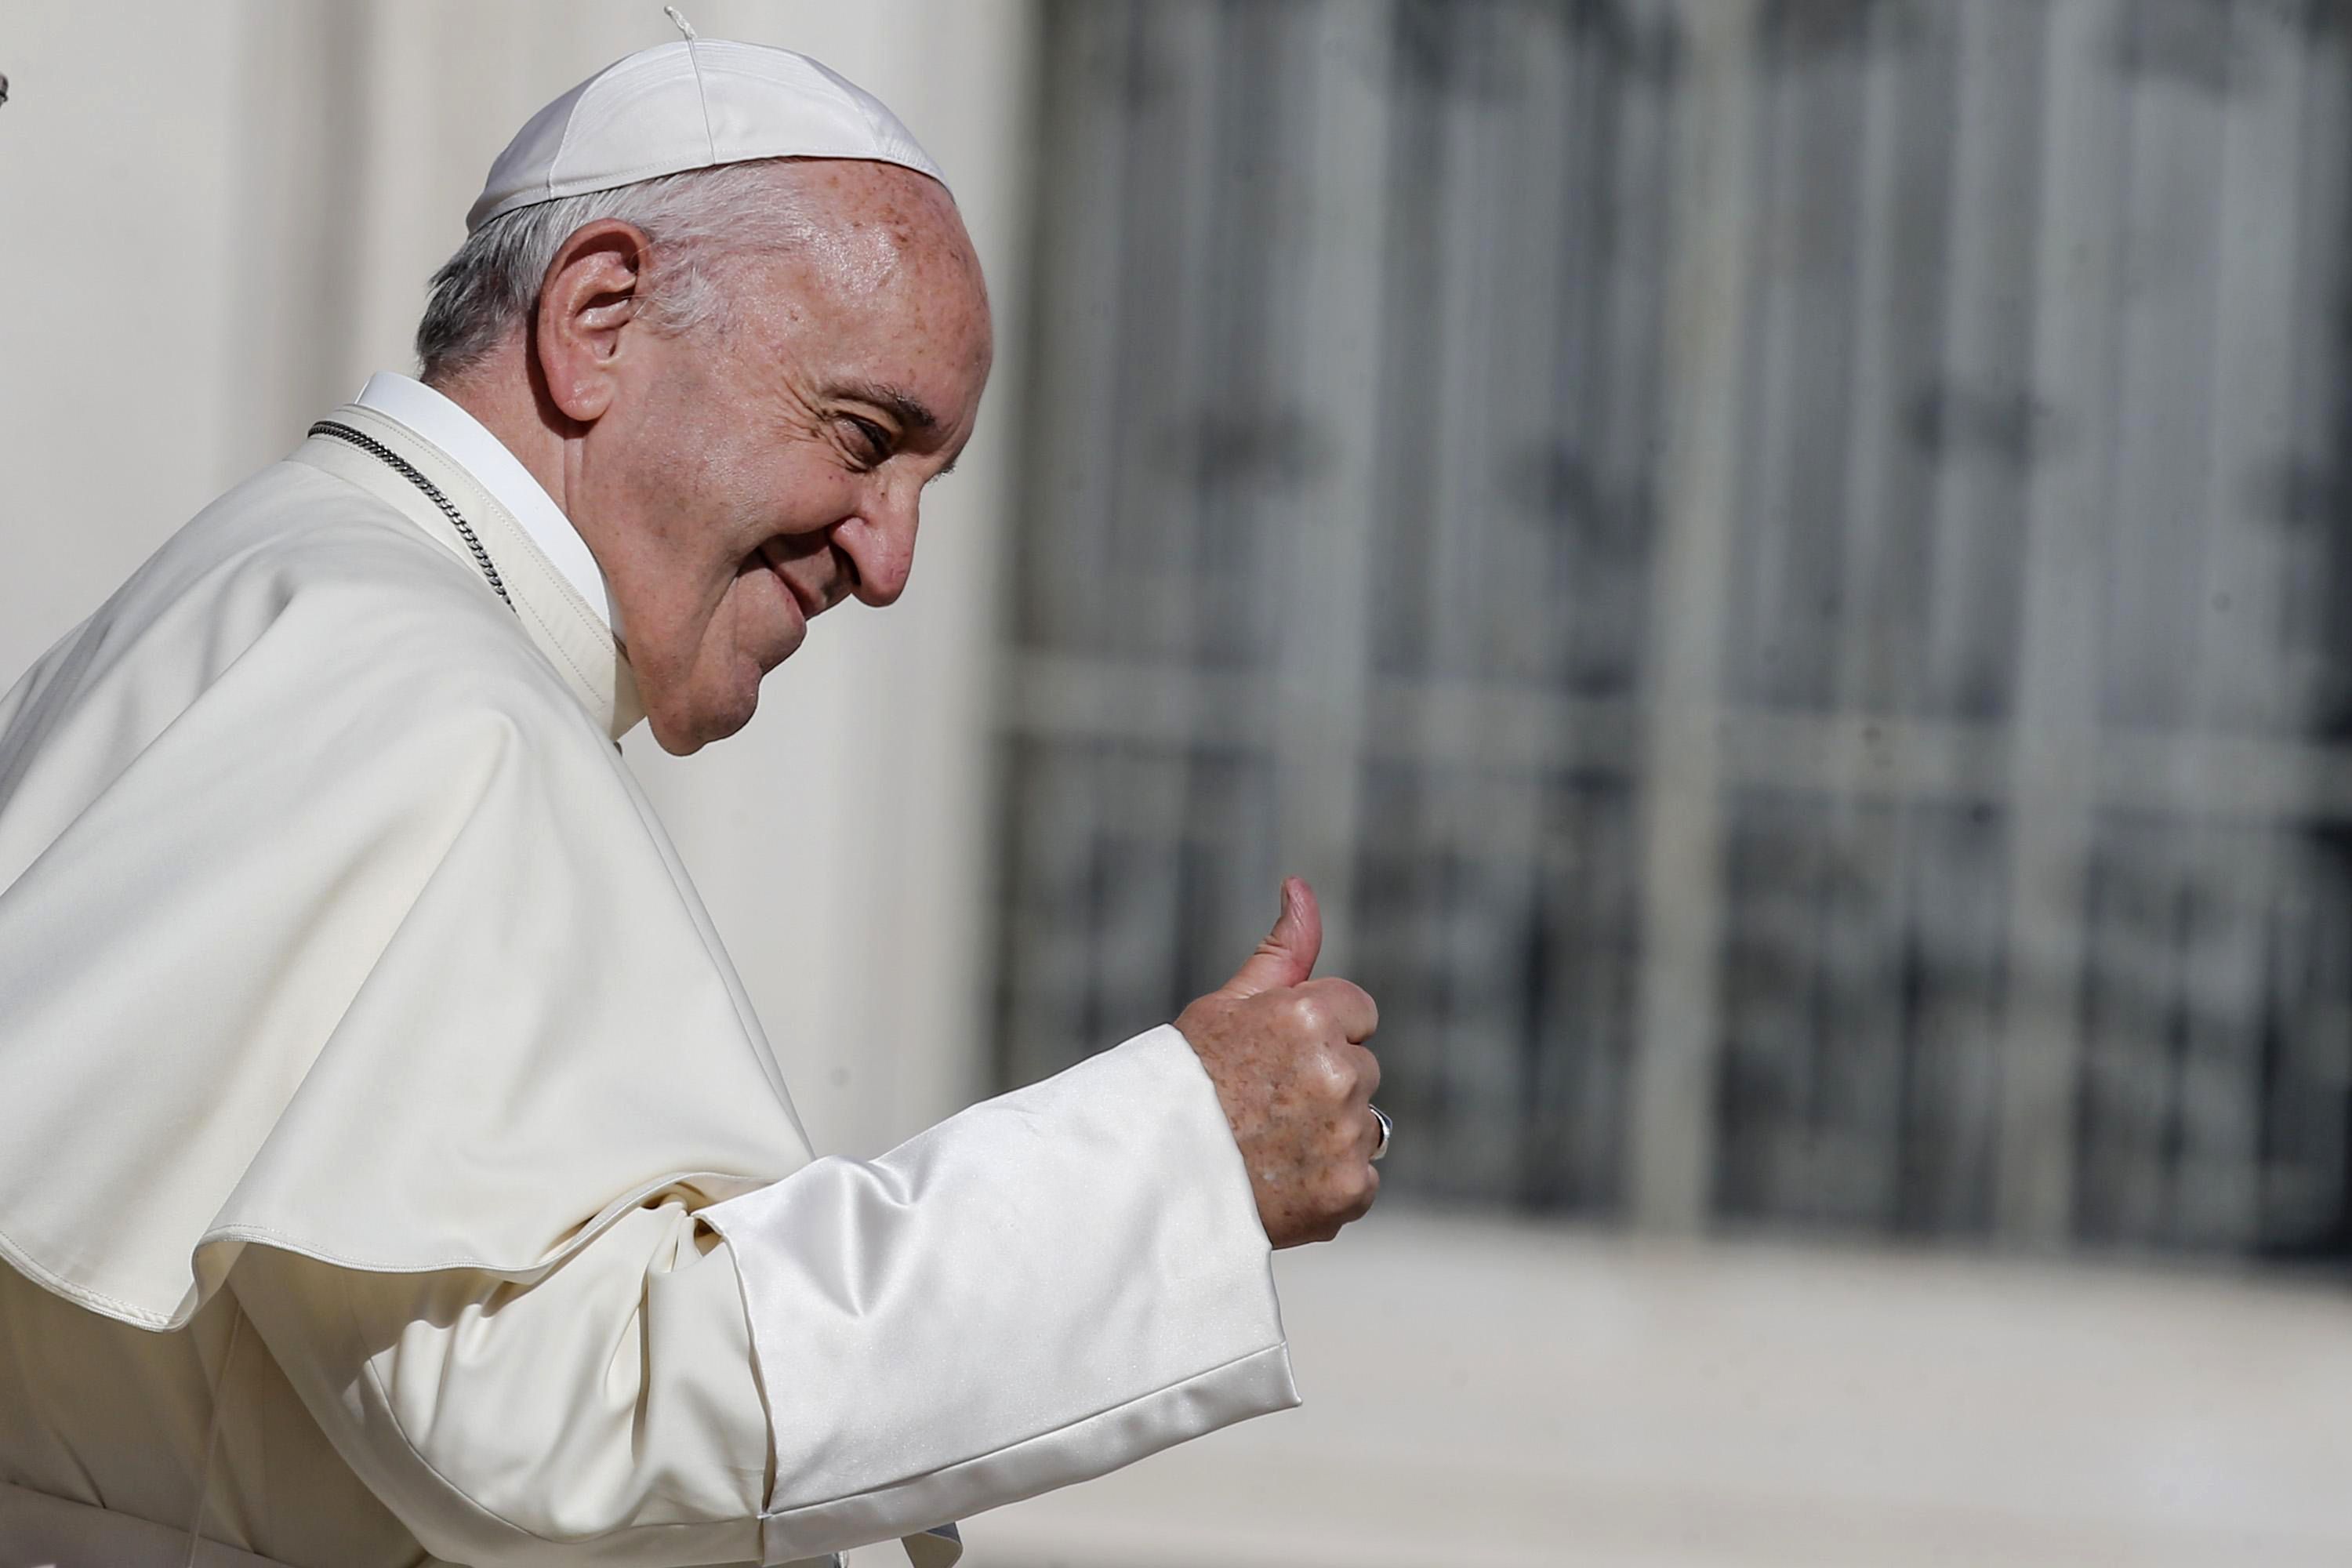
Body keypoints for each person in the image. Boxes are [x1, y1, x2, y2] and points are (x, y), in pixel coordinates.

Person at [0, 30, 1386, 1568]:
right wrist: (1171, 1165)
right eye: (864, 440)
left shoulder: (276, 583)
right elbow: (542, 1416)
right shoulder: (428, 694)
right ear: (597, 318)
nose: (889, 559)